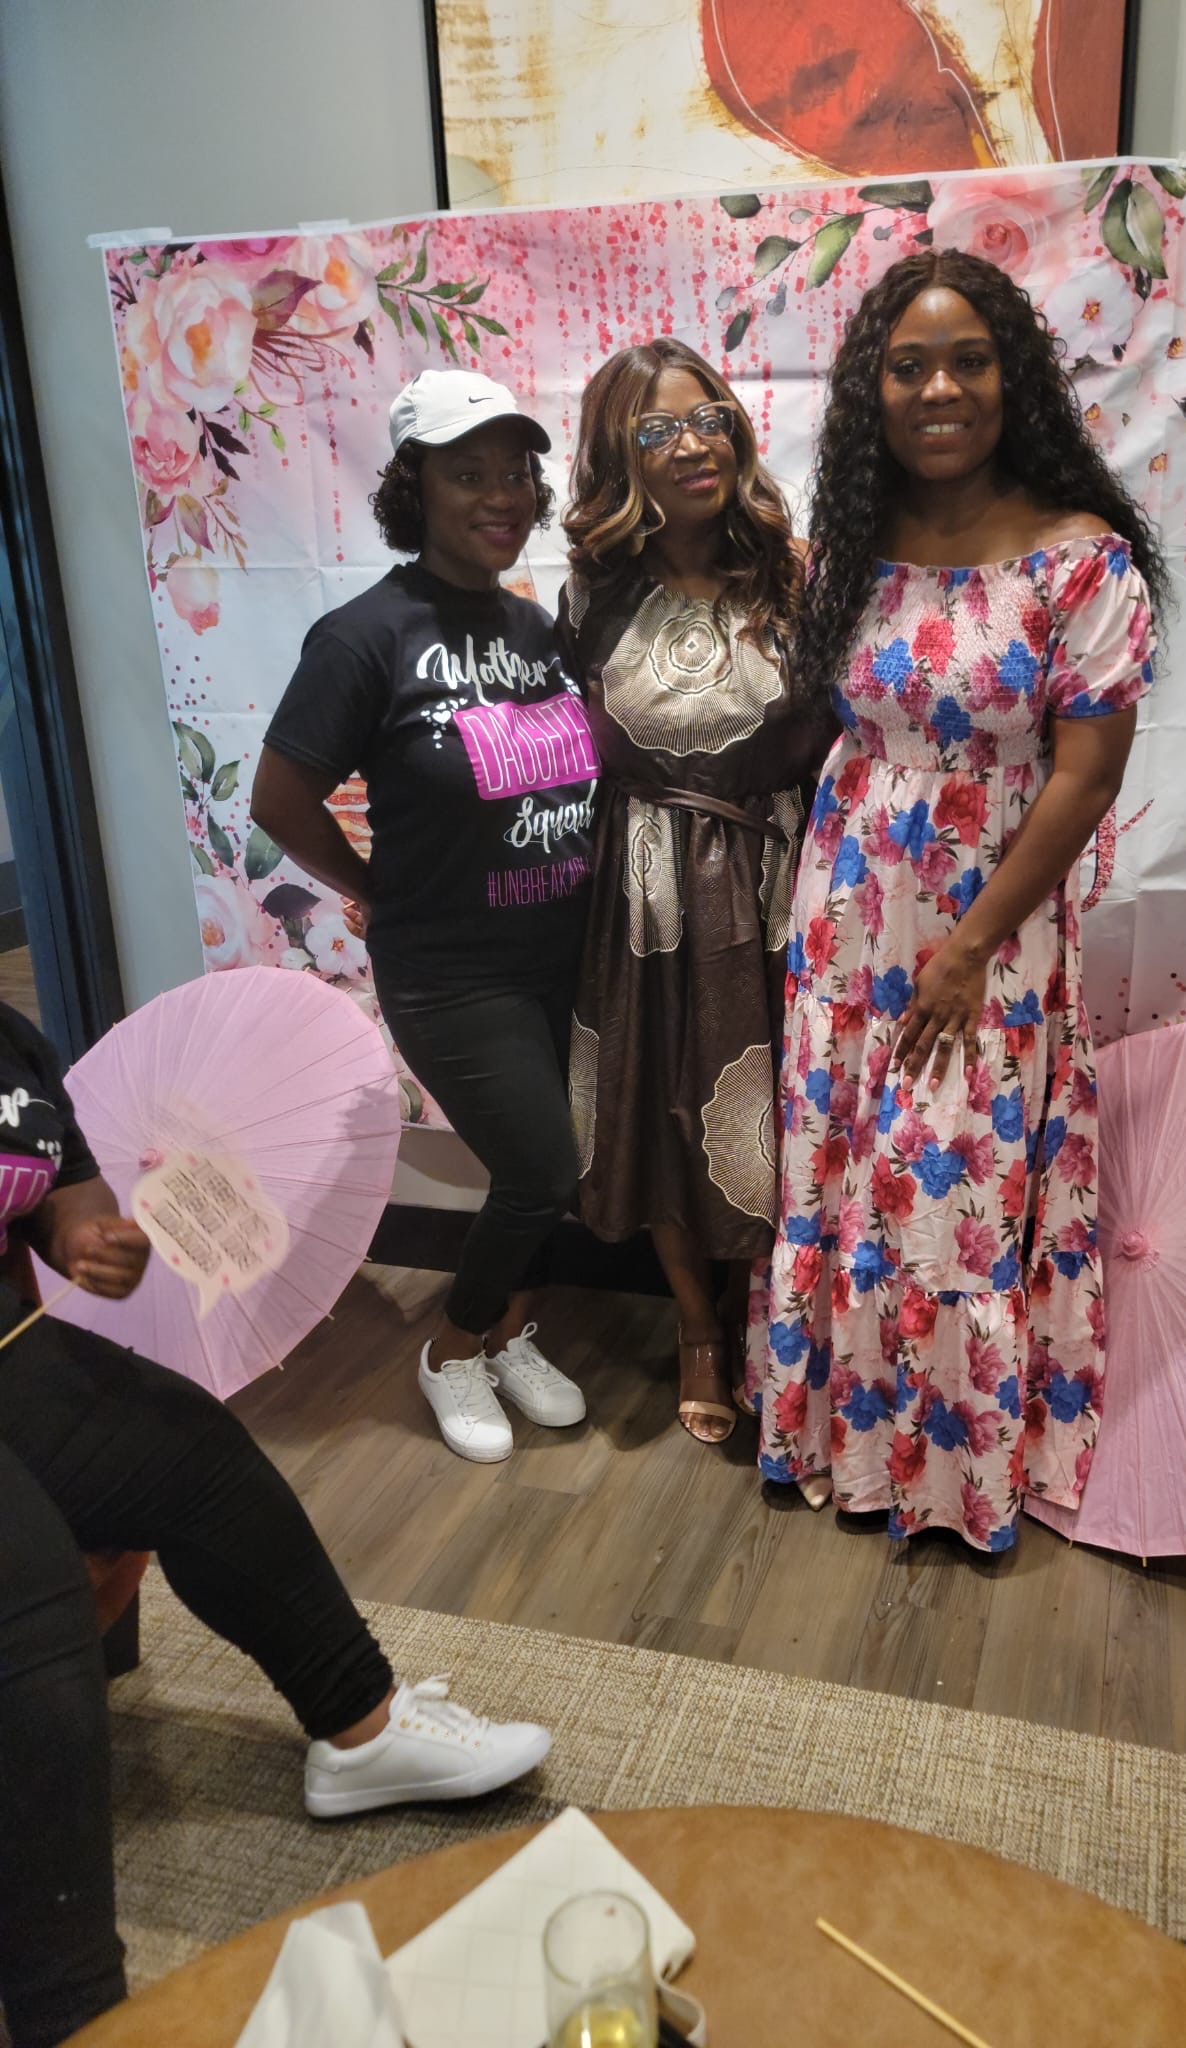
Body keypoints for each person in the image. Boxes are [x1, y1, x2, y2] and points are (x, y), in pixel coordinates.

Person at [0, 1002, 551, 2048]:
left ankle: (361, 1730)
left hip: (11, 1355)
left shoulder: (9, 1038)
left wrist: (82, 1232)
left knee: (191, 1447)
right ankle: (73, 2019)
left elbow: (60, 1180)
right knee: (28, 1597)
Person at [749, 249, 1166, 1548]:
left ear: (1013, 376)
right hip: (847, 911)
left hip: (987, 924)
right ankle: (844, 1442)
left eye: (969, 360)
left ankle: (950, 1476)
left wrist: (973, 945)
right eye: (909, 366)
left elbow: (1088, 775)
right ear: (873, 391)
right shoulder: (853, 549)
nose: (940, 389)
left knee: (948, 1194)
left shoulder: (1080, 561)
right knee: (844, 1174)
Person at [252, 370, 596, 1463]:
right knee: (542, 1170)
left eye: (516, 473)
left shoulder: (537, 627)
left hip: (565, 954)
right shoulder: (364, 637)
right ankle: (451, 1349)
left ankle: (512, 1334)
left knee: (560, 1173)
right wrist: (369, 884)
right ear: (416, 489)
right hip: (452, 971)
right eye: (468, 474)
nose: (501, 496)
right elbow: (278, 799)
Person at [558, 338, 833, 1443]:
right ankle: (696, 1326)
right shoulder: (592, 593)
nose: (691, 444)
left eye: (707, 417)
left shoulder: (798, 576)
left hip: (778, 876)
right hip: (644, 892)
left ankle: (767, 1317)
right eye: (658, 430)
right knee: (665, 1112)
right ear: (619, 457)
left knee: (782, 1108)